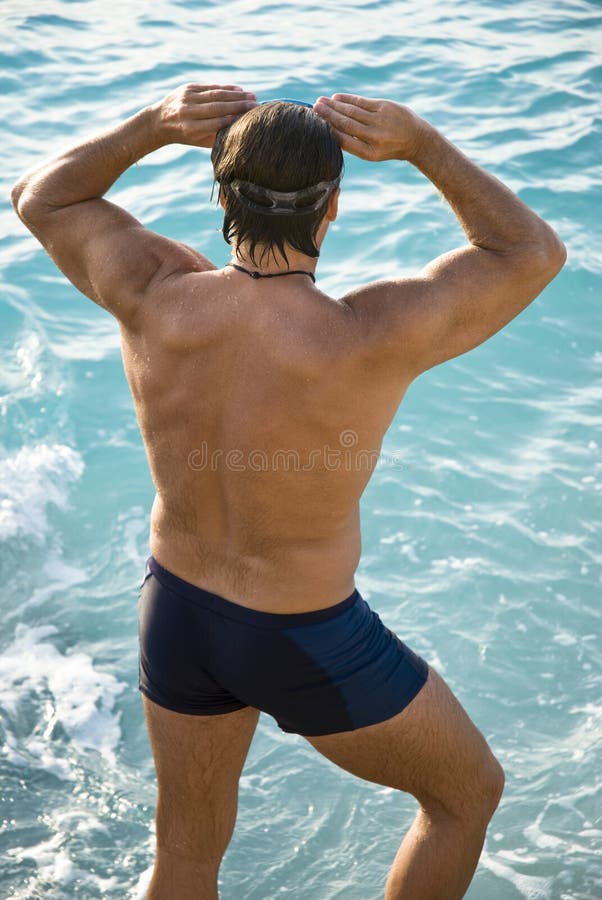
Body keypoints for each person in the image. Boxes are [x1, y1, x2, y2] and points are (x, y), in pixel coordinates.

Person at [11, 83, 566, 899]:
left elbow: (41, 196)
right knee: (465, 796)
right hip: (306, 636)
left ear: (220, 191)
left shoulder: (152, 294)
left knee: (188, 854)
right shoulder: (370, 332)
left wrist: (152, 124)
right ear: (332, 206)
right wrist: (422, 146)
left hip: (176, 611)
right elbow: (530, 252)